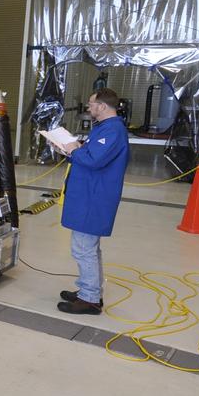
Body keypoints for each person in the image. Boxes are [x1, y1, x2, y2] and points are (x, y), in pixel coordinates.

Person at [55, 88, 130, 315]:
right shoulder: (105, 129)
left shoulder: (113, 130)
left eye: (91, 103)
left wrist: (73, 151)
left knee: (83, 249)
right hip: (90, 193)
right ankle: (90, 291)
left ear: (102, 106)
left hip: (94, 197)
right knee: (89, 248)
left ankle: (89, 299)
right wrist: (72, 149)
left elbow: (94, 160)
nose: (89, 107)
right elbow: (92, 153)